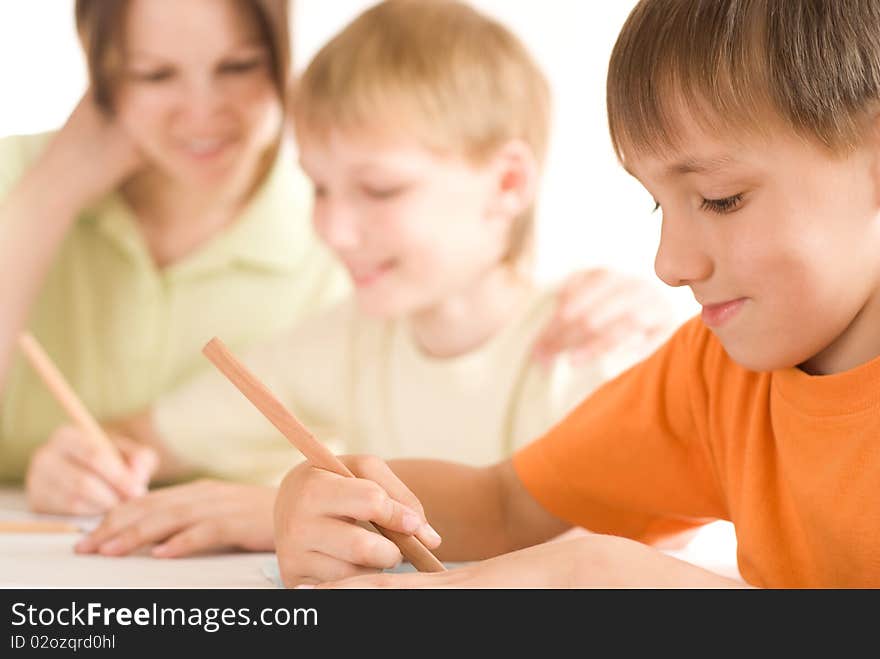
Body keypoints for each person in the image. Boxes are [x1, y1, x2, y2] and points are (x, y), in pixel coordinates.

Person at [272, 0, 880, 589]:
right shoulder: (714, 375)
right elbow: (505, 506)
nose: (670, 264)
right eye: (656, 202)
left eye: (721, 198)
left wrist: (608, 580)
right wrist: (344, 500)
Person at [6, 0, 674, 513]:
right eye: (319, 186)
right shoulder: (348, 338)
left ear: (508, 183)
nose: (334, 226)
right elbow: (142, 434)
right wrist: (93, 458)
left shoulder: (586, 350)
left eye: (379, 190)